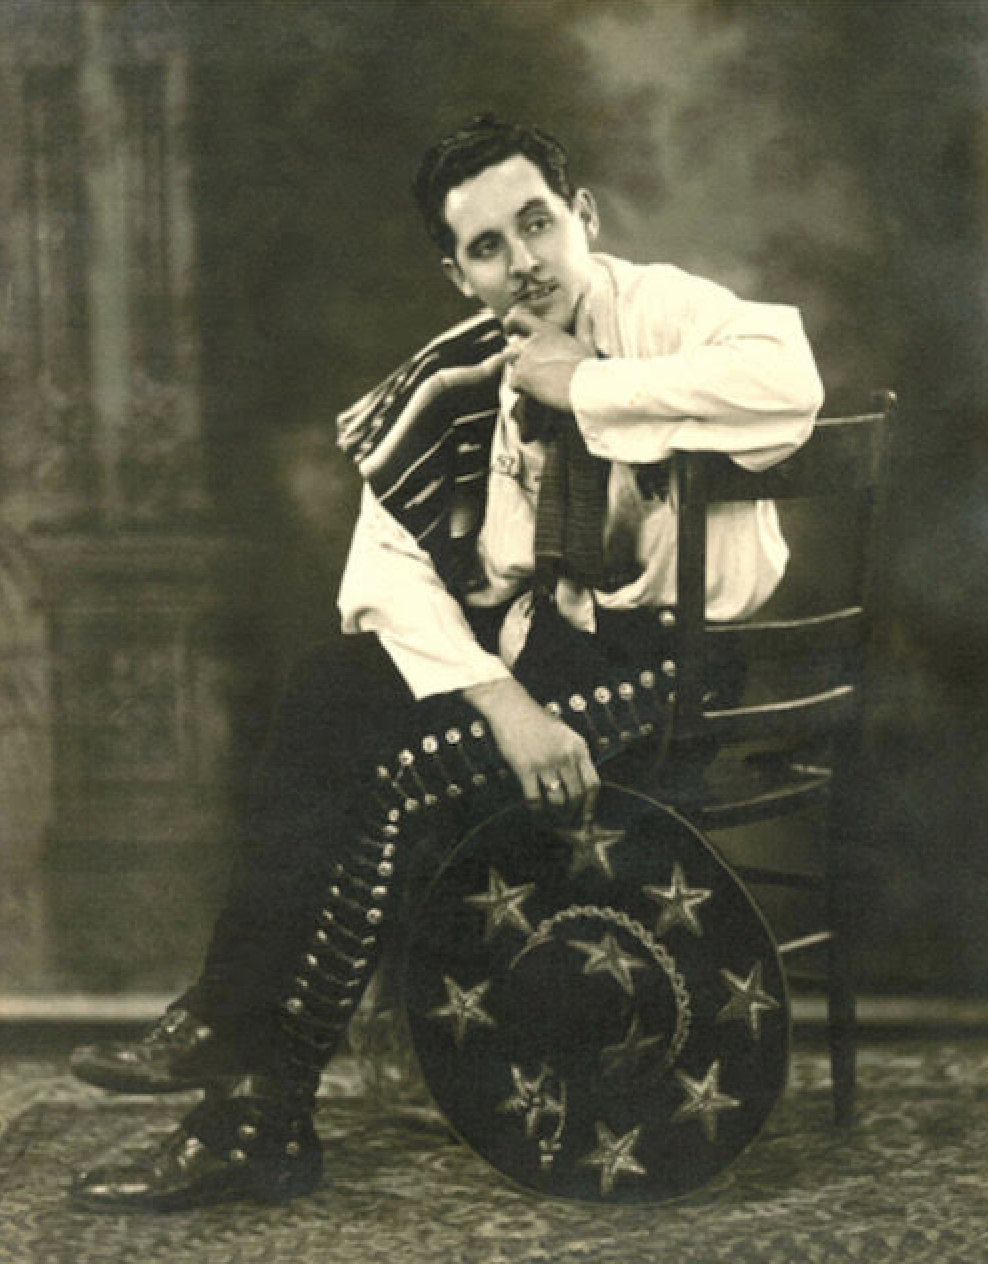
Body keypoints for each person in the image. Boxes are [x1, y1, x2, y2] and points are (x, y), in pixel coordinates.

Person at [68, 114, 824, 1211]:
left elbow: (788, 381)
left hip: (670, 663)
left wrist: (590, 388)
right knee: (329, 688)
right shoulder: (462, 374)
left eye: (537, 224)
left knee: (385, 779)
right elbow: (382, 574)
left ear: (585, 221)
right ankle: (227, 1016)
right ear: (460, 275)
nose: (523, 264)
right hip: (533, 666)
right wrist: (505, 703)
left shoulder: (663, 308)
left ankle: (260, 1116)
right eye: (487, 248)